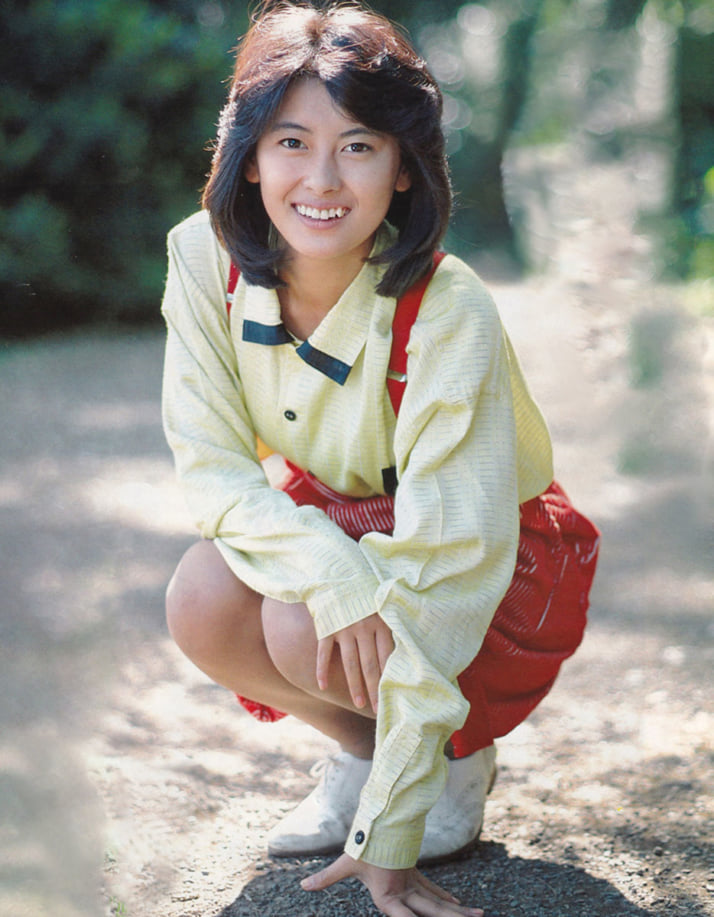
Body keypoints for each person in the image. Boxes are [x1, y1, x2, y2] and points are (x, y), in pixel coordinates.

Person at [160, 2, 600, 915]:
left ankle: (447, 760)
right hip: (340, 515)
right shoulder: (204, 259)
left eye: (358, 146)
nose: (321, 179)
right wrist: (335, 573)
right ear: (249, 153)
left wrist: (388, 836)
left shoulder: (448, 307)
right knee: (202, 595)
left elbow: (453, 566)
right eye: (291, 141)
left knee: (302, 623)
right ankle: (364, 752)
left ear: (403, 167)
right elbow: (213, 469)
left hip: (487, 555)